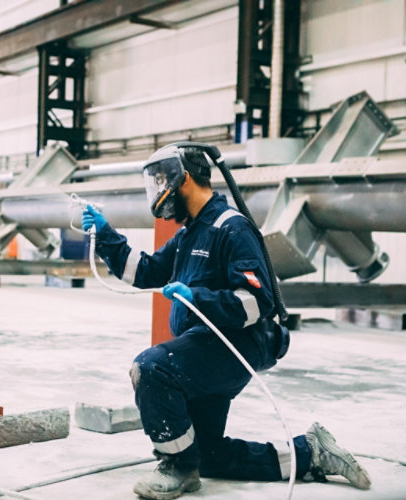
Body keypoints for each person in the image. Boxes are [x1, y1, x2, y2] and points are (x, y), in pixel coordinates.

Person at [81, 144, 371, 499]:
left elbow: (258, 302)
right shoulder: (191, 232)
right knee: (211, 455)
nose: (157, 192)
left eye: (160, 181)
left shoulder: (231, 228)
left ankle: (179, 467)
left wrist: (196, 297)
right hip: (207, 346)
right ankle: (309, 452)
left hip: (236, 344)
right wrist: (104, 235)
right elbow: (145, 271)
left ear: (182, 178)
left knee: (152, 368)